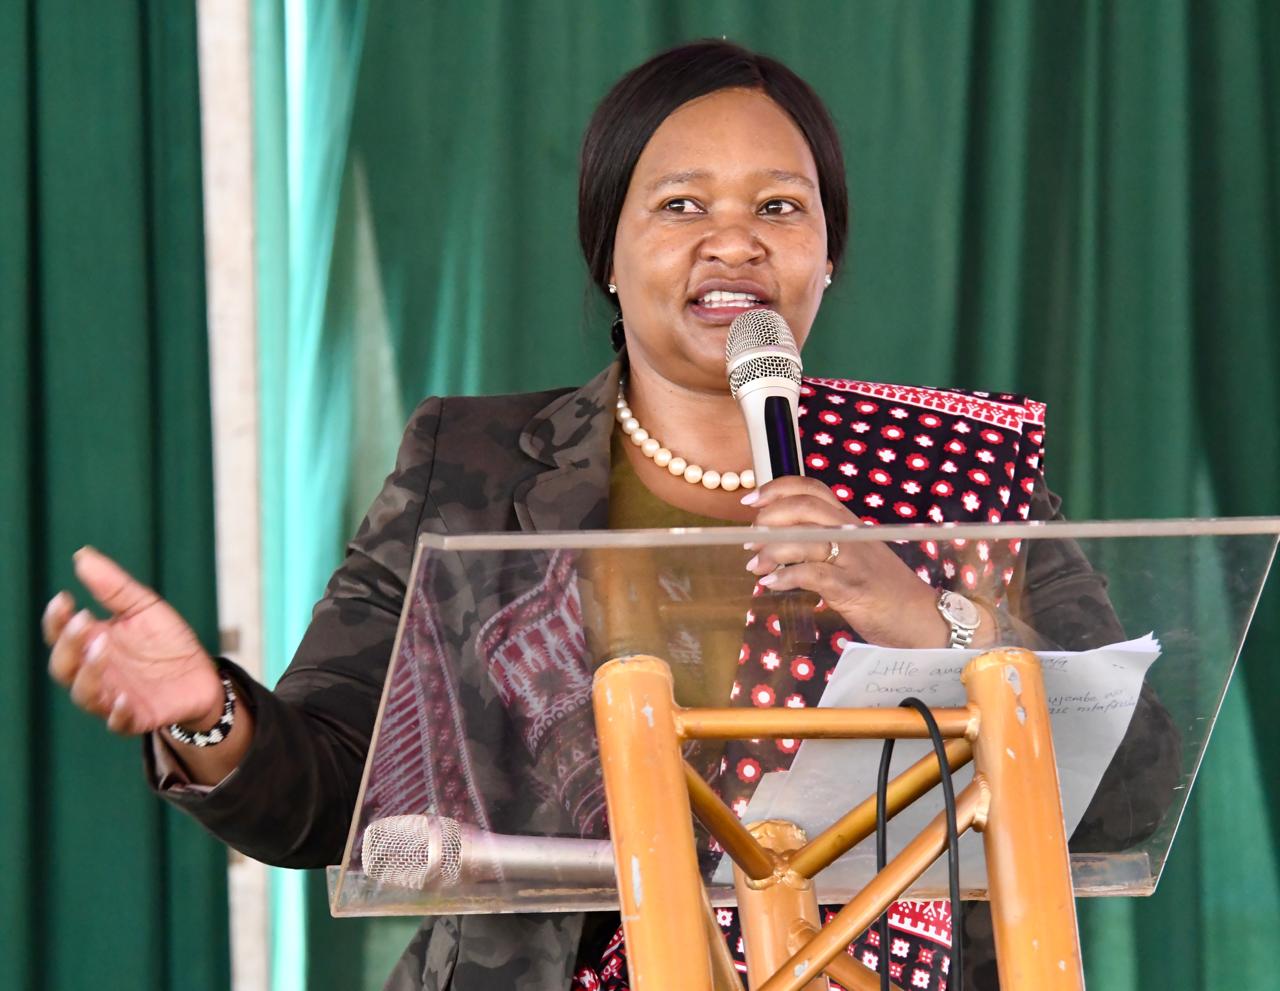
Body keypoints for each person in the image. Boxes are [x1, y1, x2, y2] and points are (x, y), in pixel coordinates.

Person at [44, 40, 1176, 991]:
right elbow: (335, 789)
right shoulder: (473, 466)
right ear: (609, 250)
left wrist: (933, 625)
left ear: (826, 255)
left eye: (778, 208)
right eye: (680, 204)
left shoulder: (956, 470)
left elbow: (1127, 792)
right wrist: (206, 716)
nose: (732, 241)